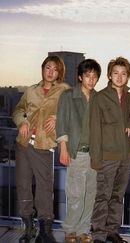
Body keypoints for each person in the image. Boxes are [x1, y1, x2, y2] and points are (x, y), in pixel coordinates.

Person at [12, 55, 70, 243]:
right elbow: (18, 110)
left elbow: (72, 113)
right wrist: (22, 121)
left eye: (55, 69)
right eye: (47, 67)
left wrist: (58, 118)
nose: (51, 72)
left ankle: (45, 231)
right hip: (23, 144)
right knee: (23, 186)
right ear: (43, 69)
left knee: (45, 189)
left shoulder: (64, 90)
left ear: (59, 72)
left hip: (44, 146)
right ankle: (28, 228)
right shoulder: (31, 90)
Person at [56, 59, 101, 243]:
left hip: (95, 154)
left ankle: (83, 230)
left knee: (90, 194)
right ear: (80, 77)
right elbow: (61, 123)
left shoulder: (98, 97)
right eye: (87, 76)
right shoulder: (68, 96)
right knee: (76, 194)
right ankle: (70, 230)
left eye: (94, 76)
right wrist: (63, 149)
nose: (91, 80)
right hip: (77, 152)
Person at [89, 57, 130, 243]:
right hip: (106, 156)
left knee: (118, 196)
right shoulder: (99, 97)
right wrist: (96, 159)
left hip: (126, 156)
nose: (119, 77)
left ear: (128, 76)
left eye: (123, 73)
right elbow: (94, 129)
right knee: (102, 197)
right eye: (115, 73)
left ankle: (112, 231)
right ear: (109, 75)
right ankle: (98, 235)